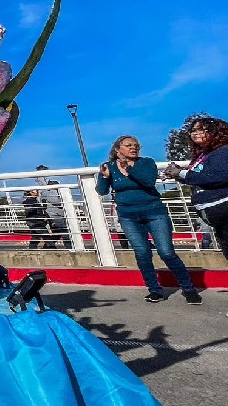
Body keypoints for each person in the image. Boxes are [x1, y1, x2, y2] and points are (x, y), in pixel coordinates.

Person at [96, 135, 201, 304]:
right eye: (128, 145)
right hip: (128, 215)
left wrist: (129, 168)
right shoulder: (110, 167)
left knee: (166, 252)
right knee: (142, 253)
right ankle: (154, 290)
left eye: (136, 145)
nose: (133, 148)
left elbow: (148, 182)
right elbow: (102, 191)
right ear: (117, 149)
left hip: (154, 212)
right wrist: (104, 176)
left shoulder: (146, 162)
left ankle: (189, 289)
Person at [164, 116, 228, 260]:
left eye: (202, 129)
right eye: (193, 130)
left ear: (216, 131)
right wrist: (178, 174)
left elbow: (216, 177)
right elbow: (198, 178)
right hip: (216, 214)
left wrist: (182, 173)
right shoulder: (204, 155)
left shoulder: (224, 151)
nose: (196, 133)